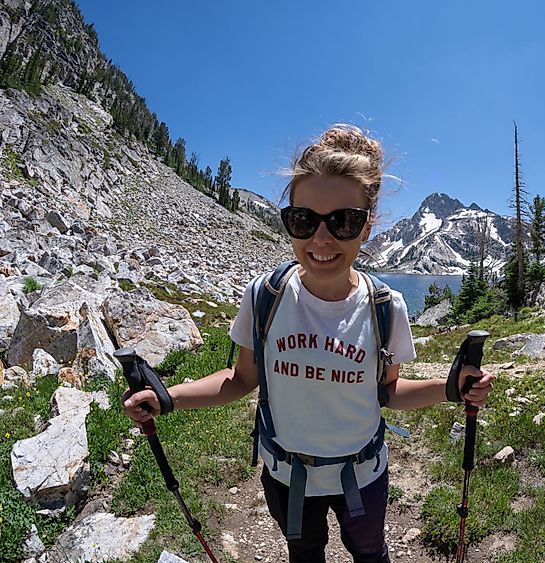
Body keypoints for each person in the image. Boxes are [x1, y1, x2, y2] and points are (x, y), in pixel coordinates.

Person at [122, 124, 494, 563]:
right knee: (304, 553)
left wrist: (452, 388)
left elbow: (388, 392)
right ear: (290, 221)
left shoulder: (385, 305)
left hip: (364, 473)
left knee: (370, 551)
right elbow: (240, 379)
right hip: (287, 477)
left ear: (367, 227)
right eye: (303, 220)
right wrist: (166, 398)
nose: (321, 238)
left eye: (343, 221)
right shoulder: (265, 295)